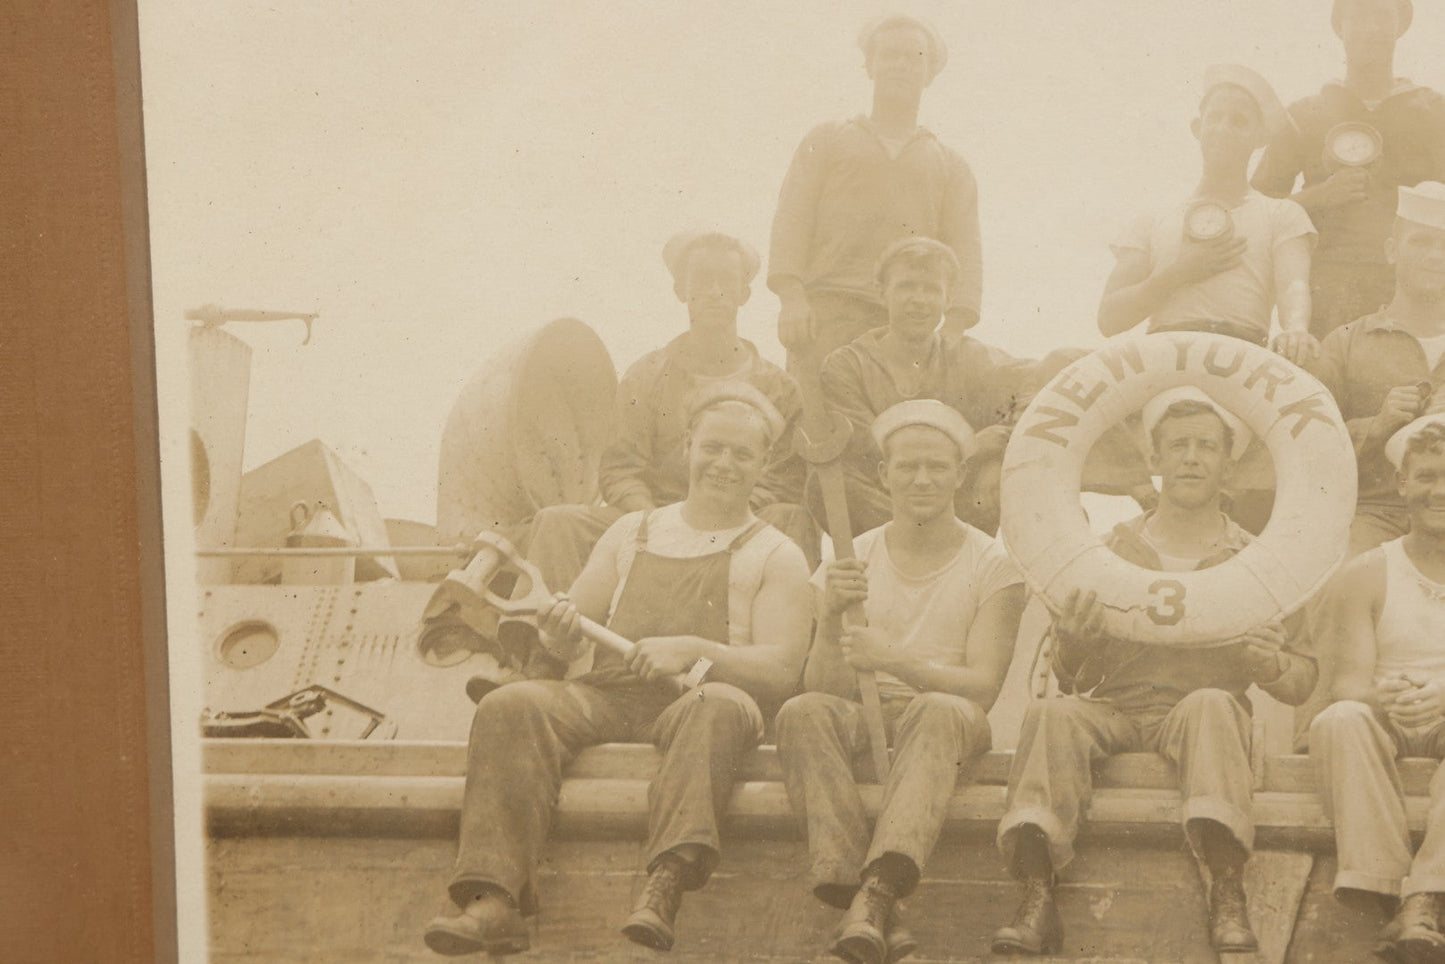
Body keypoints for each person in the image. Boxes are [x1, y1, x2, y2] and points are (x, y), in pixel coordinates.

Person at [422, 383, 813, 957]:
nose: (724, 464)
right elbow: (575, 620)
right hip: (611, 695)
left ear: (763, 465)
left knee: (720, 707)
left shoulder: (776, 553)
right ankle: (493, 900)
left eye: (742, 454)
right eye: (713, 448)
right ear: (688, 449)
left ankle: (664, 887)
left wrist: (691, 648)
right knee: (513, 703)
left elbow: (780, 669)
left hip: (700, 701)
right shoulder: (633, 531)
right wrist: (555, 627)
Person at [991, 388, 1317, 957]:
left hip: (1200, 711)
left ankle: (1226, 887)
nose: (1192, 457)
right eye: (1178, 445)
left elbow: (1301, 681)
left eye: (1206, 446)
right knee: (1050, 714)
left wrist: (1271, 662)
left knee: (1212, 702)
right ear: (1155, 460)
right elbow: (1068, 676)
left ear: (1227, 461)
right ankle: (1038, 892)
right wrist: (1072, 638)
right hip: (1115, 707)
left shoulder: (1260, 560)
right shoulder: (1107, 551)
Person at [776, 400, 1025, 964]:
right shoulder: (850, 556)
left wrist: (893, 658)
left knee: (936, 710)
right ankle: (859, 902)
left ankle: (880, 889)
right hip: (866, 715)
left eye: (938, 467)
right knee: (801, 712)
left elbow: (981, 689)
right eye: (907, 466)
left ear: (959, 476)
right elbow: (820, 684)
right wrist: (833, 619)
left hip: (948, 722)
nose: (922, 479)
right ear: (884, 475)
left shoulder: (994, 566)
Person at [514, 231, 806, 600]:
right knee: (558, 523)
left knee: (792, 518)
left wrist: (732, 516)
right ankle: (544, 650)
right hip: (653, 519)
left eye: (726, 281)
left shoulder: (778, 387)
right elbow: (621, 469)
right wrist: (655, 523)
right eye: (702, 280)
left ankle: (786, 650)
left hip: (743, 520)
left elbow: (783, 480)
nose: (715, 291)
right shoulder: (646, 376)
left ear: (744, 294)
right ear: (680, 290)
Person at [769, 14, 982, 371]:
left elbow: (966, 250)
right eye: (889, 55)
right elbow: (792, 220)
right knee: (817, 422)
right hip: (826, 312)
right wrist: (791, 298)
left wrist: (956, 325)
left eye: (913, 57)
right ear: (870, 65)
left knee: (901, 425)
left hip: (908, 323)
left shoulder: (950, 165)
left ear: (930, 72)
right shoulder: (827, 139)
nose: (900, 65)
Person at [1311, 415, 1445, 964]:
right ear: (1403, 484)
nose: (1440, 491)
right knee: (1340, 719)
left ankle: (1425, 898)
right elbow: (1346, 684)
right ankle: (1381, 885)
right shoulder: (1369, 572)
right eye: (1428, 476)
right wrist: (1388, 695)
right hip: (1389, 715)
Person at [1098, 64, 1317, 364]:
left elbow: (1294, 285)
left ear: (1260, 137)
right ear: (1197, 128)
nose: (1223, 128)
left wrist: (1296, 328)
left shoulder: (1281, 214)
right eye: (1215, 117)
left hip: (1242, 358)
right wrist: (1177, 273)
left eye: (1239, 121)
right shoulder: (1152, 218)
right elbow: (1109, 319)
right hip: (1162, 358)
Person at [1254, 0, 1445, 339]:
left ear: (1399, 26)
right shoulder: (1305, 113)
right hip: (1327, 286)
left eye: (1382, 15)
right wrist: (1320, 196)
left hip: (1415, 290)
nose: (1371, 28)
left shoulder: (1434, 112)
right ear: (1339, 26)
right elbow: (1255, 211)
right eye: (1358, 15)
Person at [818, 236, 1032, 536]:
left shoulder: (970, 356)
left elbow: (1030, 385)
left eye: (931, 289)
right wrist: (974, 448)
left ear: (947, 300)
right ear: (882, 293)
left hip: (957, 506)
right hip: (884, 506)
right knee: (830, 481)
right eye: (906, 286)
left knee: (1021, 479)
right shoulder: (847, 365)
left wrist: (997, 456)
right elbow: (870, 450)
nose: (919, 299)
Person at [1309, 182, 1445, 558]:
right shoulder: (1346, 342)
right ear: (1391, 250)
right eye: (1421, 242)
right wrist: (1378, 425)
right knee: (1338, 577)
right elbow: (1309, 449)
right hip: (1369, 518)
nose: (1436, 256)